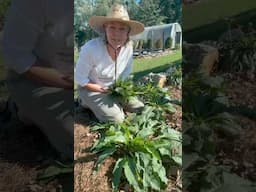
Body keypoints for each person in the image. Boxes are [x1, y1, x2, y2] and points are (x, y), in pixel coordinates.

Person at [2, 0, 73, 159]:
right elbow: (17, 56)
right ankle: (18, 107)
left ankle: (28, 113)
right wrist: (70, 82)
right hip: (35, 79)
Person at [75, 4, 145, 123]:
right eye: (112, 27)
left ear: (128, 32)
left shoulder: (128, 47)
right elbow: (80, 78)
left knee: (139, 107)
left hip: (114, 89)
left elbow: (125, 74)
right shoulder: (91, 49)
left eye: (122, 29)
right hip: (91, 88)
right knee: (117, 119)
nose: (116, 34)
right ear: (105, 28)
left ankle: (108, 103)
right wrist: (101, 89)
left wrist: (120, 91)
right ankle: (84, 102)